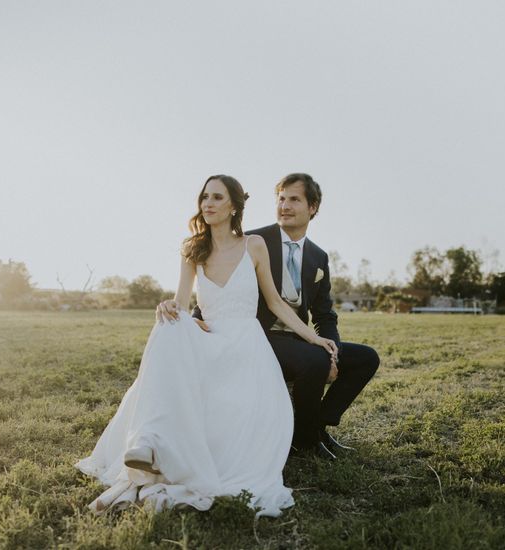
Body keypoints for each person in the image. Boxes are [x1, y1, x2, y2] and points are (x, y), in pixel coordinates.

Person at [75, 175, 338, 517]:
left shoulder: (254, 245)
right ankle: (147, 441)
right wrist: (171, 308)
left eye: (216, 197)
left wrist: (314, 337)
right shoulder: (192, 248)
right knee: (167, 324)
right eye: (204, 198)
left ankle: (161, 442)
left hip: (245, 344)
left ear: (233, 205)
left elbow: (275, 303)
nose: (208, 204)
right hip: (209, 336)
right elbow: (182, 302)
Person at [160, 173, 380, 459]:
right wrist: (198, 321)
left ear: (313, 207)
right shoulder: (253, 241)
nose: (285, 206)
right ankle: (304, 441)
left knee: (366, 358)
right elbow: (218, 284)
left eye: (294, 199)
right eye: (281, 199)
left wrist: (333, 353)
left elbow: (325, 315)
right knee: (313, 360)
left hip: (299, 336)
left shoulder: (318, 257)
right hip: (258, 338)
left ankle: (317, 425)